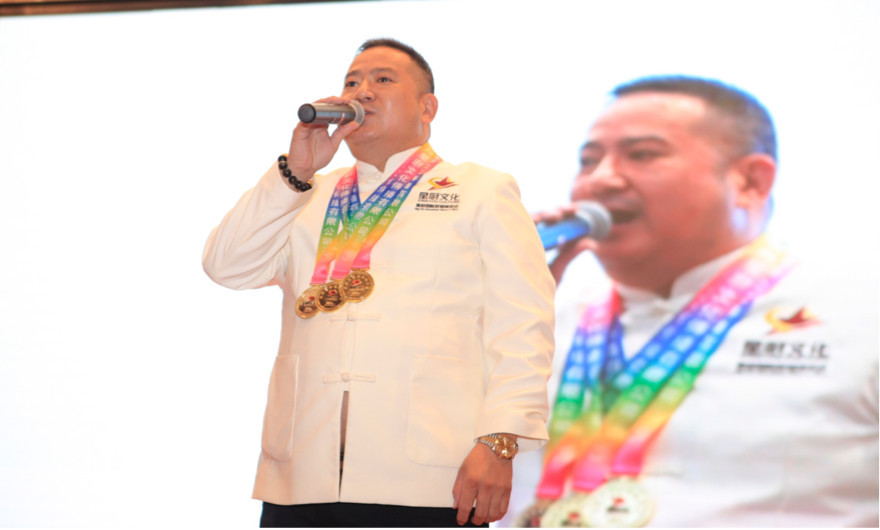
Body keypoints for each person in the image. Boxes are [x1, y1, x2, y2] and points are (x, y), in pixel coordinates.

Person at [202, 38, 555, 528]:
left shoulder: (480, 190)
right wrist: (297, 170)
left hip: (429, 478)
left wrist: (501, 440)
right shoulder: (305, 193)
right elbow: (226, 266)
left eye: (382, 79)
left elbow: (522, 325)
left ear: (427, 108)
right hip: (301, 478)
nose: (361, 92)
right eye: (352, 82)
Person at [502, 75, 879, 527]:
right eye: (588, 160)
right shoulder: (531, 318)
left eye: (642, 155)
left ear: (750, 181)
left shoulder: (860, 314)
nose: (600, 179)